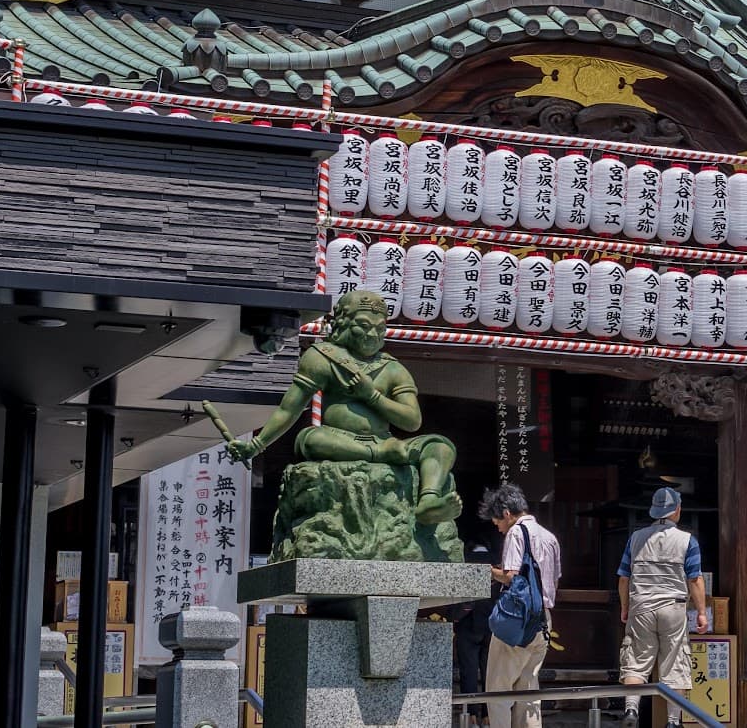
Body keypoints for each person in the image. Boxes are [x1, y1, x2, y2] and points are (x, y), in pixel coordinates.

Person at [226, 289, 461, 523]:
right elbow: (289, 408)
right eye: (363, 325)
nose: (372, 334)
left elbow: (412, 421)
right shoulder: (323, 356)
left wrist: (371, 396)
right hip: (339, 439)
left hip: (385, 440)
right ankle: (379, 455)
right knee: (310, 439)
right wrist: (257, 444)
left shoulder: (392, 368)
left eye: (379, 328)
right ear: (344, 324)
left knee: (440, 446)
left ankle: (428, 501)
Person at [618, 487, 707, 728]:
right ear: (677, 510)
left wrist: (625, 607)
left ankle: (631, 710)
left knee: (636, 660)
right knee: (675, 661)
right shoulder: (688, 540)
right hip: (673, 607)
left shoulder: (635, 538)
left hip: (641, 606)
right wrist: (701, 612)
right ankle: (672, 721)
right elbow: (695, 579)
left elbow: (624, 578)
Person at [481, 484, 562, 728]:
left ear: (506, 513)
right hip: (543, 619)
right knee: (528, 689)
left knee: (498, 689)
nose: (497, 526)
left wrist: (489, 571)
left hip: (518, 620)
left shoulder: (517, 533)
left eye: (496, 521)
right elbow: (555, 578)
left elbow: (511, 575)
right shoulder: (550, 537)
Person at [450, 535, 498, 728]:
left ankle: (469, 715)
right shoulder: (497, 560)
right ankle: (488, 716)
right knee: (490, 671)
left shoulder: (464, 561)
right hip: (492, 624)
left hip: (467, 623)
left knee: (468, 671)